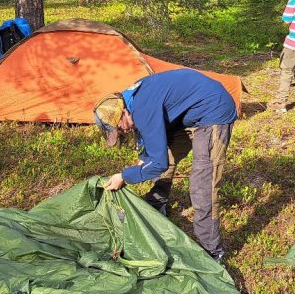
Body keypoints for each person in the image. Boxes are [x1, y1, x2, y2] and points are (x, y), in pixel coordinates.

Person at [93, 68, 237, 263]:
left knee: (202, 184)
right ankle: (158, 202)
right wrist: (143, 161)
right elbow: (152, 149)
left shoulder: (142, 109)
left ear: (124, 113)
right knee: (161, 157)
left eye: (120, 128)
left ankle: (212, 251)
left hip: (213, 111)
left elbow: (158, 164)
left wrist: (125, 176)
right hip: (183, 115)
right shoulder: (131, 99)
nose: (123, 132)